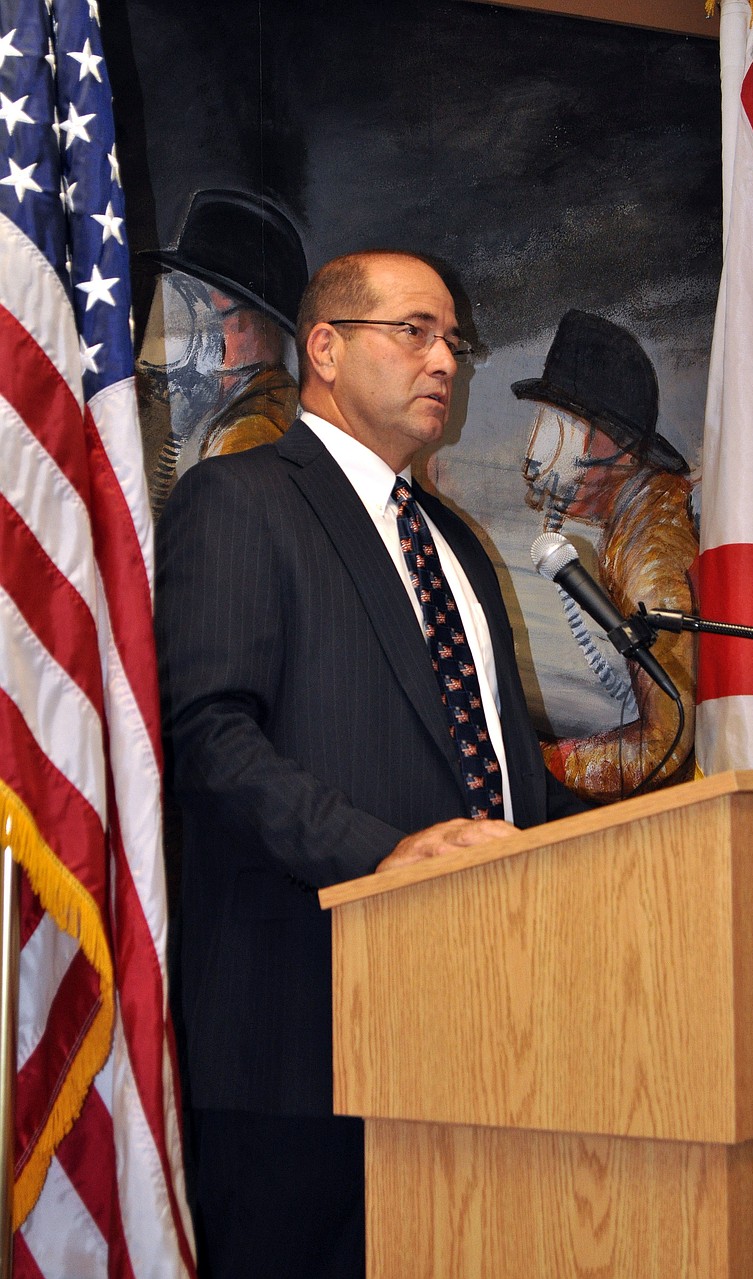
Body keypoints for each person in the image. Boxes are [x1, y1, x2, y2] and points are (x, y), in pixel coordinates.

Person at [155, 250, 588, 1279]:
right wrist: (383, 854)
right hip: (296, 1041)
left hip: (473, 1035)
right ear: (326, 349)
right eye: (416, 332)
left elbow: (498, 768)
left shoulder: (454, 544)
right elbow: (211, 734)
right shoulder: (239, 499)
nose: (445, 359)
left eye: (454, 340)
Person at [513, 309, 698, 801]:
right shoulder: (635, 524)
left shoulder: (651, 550)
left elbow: (668, 737)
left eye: (566, 427)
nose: (543, 451)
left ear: (621, 446)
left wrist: (540, 766)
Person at [136, 188, 308, 516]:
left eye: (212, 308)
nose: (194, 325)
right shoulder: (219, 403)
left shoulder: (253, 433)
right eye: (189, 300)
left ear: (260, 323)